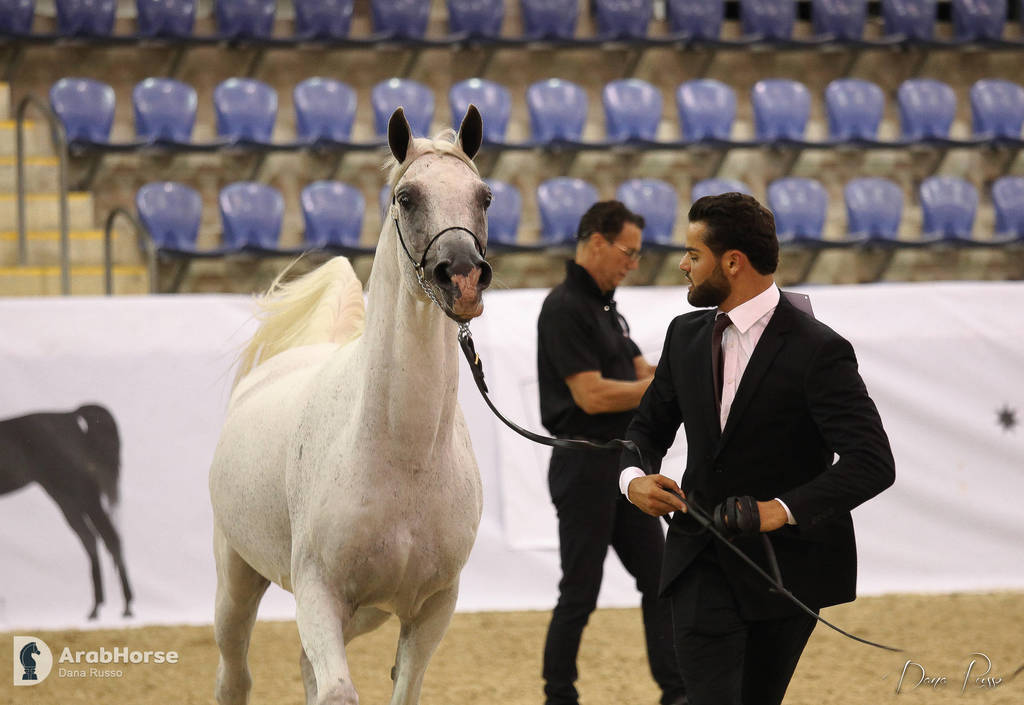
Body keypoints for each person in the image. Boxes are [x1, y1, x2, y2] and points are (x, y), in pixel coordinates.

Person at [618, 192, 895, 705]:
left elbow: (873, 463)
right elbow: (646, 429)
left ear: (732, 262)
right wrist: (633, 479)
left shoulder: (820, 349)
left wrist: (781, 510)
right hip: (698, 556)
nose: (682, 265)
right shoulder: (684, 336)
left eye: (693, 255)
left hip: (785, 571)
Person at [537, 200, 688, 705]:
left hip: (624, 469)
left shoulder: (608, 309)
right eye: (629, 252)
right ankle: (559, 696)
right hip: (583, 466)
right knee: (580, 592)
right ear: (597, 242)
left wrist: (669, 377)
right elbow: (591, 395)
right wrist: (660, 387)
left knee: (660, 577)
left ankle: (676, 691)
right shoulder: (563, 308)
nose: (632, 263)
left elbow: (645, 372)